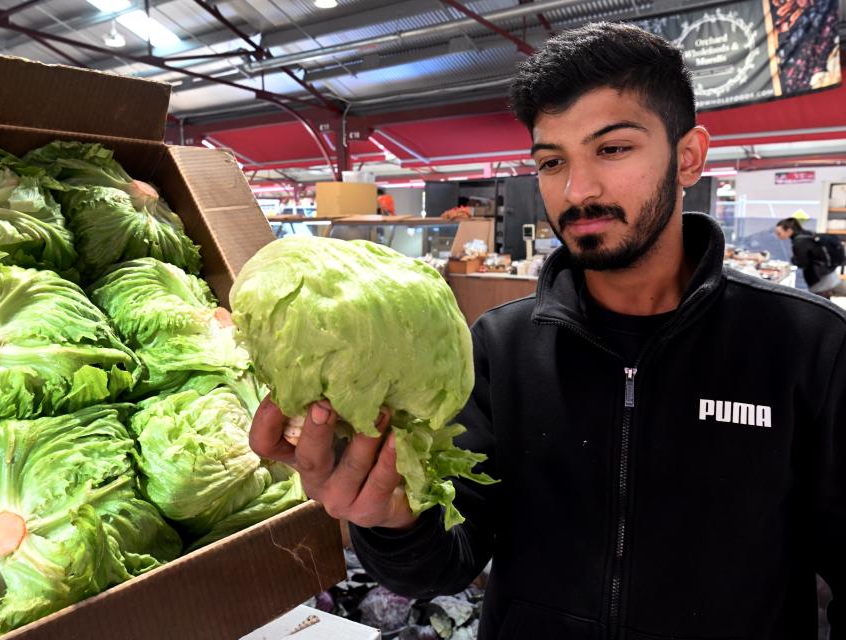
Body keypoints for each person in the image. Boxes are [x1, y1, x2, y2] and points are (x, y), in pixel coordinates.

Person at [249, 22, 844, 640]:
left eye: (612, 149)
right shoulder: (499, 347)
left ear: (689, 156)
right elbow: (449, 561)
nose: (577, 189)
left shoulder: (808, 347)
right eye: (552, 161)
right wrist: (388, 523)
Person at [775, 217, 846, 298]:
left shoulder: (799, 242)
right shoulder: (808, 234)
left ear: (789, 231)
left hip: (819, 280)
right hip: (828, 274)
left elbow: (803, 263)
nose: (778, 236)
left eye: (779, 233)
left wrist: (793, 260)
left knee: (820, 307)